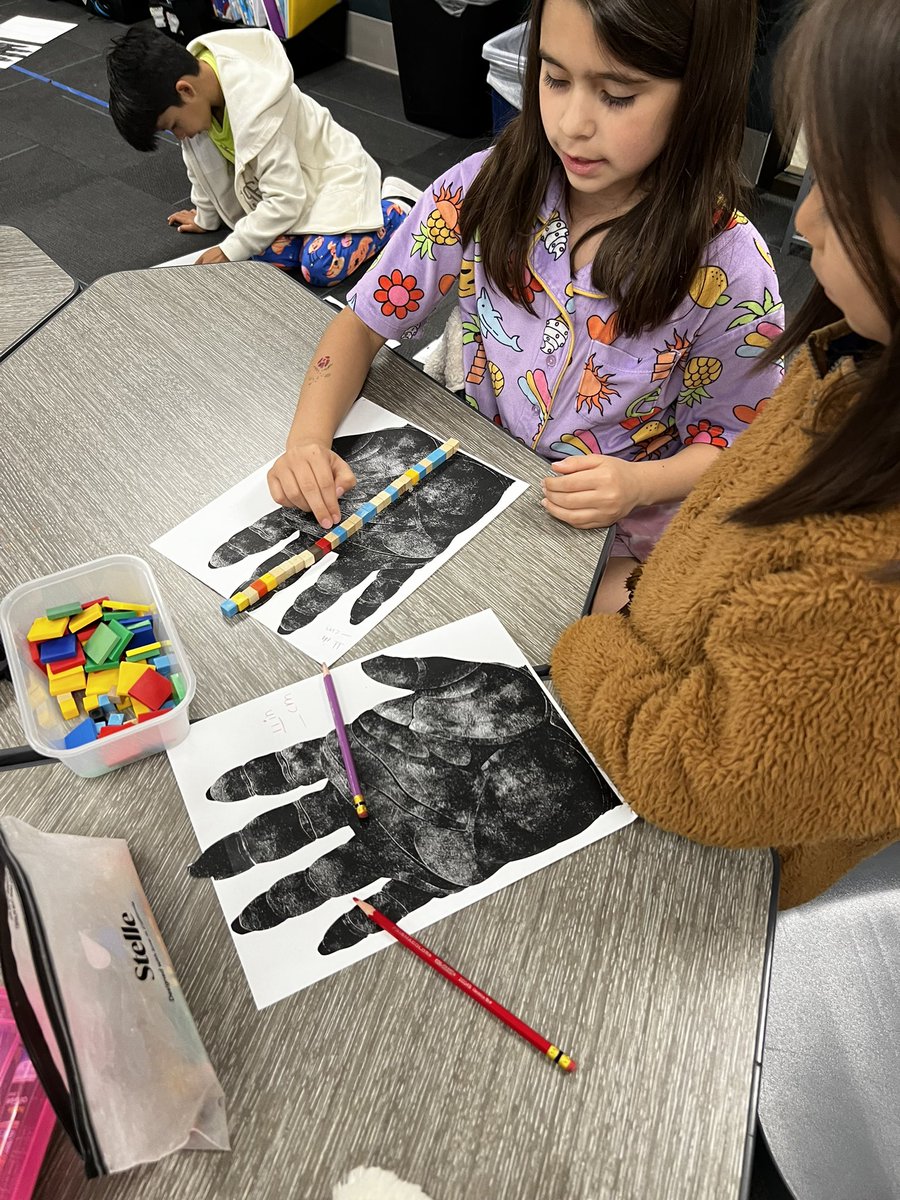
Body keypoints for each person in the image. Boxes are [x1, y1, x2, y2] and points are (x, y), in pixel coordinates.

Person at [551, 0, 900, 908]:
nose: (808, 222)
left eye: (846, 190)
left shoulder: (874, 584)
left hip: (714, 863)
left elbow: (710, 773)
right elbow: (743, 502)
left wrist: (589, 644)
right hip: (656, 642)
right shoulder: (849, 357)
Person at [268, 0, 783, 611]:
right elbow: (358, 328)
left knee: (628, 632)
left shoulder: (731, 269)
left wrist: (638, 484)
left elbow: (738, 442)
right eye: (554, 78)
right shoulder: (486, 184)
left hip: (626, 520)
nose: (570, 124)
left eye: (617, 95)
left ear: (700, 92)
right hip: (482, 463)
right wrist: (306, 440)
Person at [106, 27, 415, 286]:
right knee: (253, 254)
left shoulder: (258, 104)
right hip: (290, 190)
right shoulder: (197, 98)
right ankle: (308, 235)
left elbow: (286, 200)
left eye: (173, 125)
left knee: (319, 267)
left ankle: (392, 211)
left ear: (185, 90)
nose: (180, 135)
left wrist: (231, 248)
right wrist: (205, 217)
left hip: (331, 181)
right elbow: (200, 168)